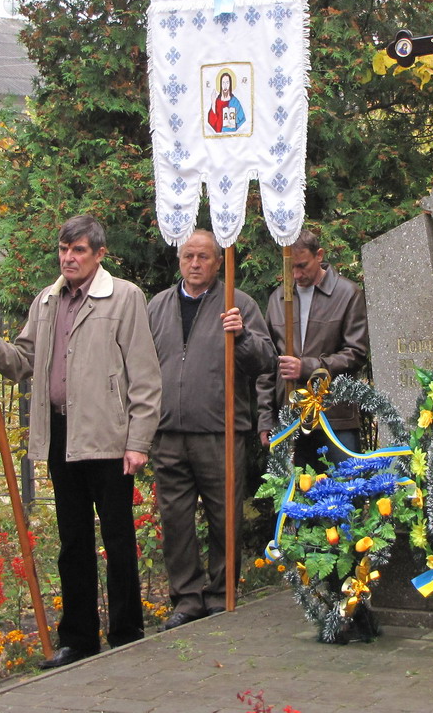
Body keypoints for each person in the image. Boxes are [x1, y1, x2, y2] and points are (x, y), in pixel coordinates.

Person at [0, 215, 161, 668]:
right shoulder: (46, 301)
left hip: (109, 437)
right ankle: (79, 639)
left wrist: (138, 441)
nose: (69, 258)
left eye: (78, 250)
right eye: (64, 249)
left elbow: (144, 375)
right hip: (61, 435)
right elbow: (22, 361)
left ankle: (126, 633)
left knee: (118, 538)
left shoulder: (123, 297)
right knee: (73, 541)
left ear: (99, 254)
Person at [147, 229, 275, 629]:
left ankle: (222, 593)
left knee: (225, 517)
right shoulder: (158, 306)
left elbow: (265, 361)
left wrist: (242, 336)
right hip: (168, 432)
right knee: (175, 520)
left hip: (220, 431)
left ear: (219, 263)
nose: (195, 264)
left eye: (204, 257)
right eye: (188, 256)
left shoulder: (238, 303)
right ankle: (186, 599)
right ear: (179, 260)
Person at [256, 228, 369, 468]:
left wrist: (307, 367)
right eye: (290, 267)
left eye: (302, 266)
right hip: (291, 418)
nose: (296, 275)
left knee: (347, 486)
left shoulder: (348, 294)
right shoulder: (278, 299)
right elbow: (267, 365)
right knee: (295, 489)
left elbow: (356, 353)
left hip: (335, 416)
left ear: (319, 255)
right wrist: (266, 419)